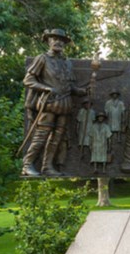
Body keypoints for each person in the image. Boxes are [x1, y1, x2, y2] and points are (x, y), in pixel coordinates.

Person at [21, 28, 87, 176]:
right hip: (49, 104)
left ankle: (47, 167)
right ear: (48, 41)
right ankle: (27, 164)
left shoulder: (67, 63)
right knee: (41, 135)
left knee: (57, 138)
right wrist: (45, 88)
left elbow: (68, 85)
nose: (58, 42)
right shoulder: (42, 59)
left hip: (65, 104)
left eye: (61, 40)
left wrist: (79, 91)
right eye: (54, 39)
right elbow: (28, 79)